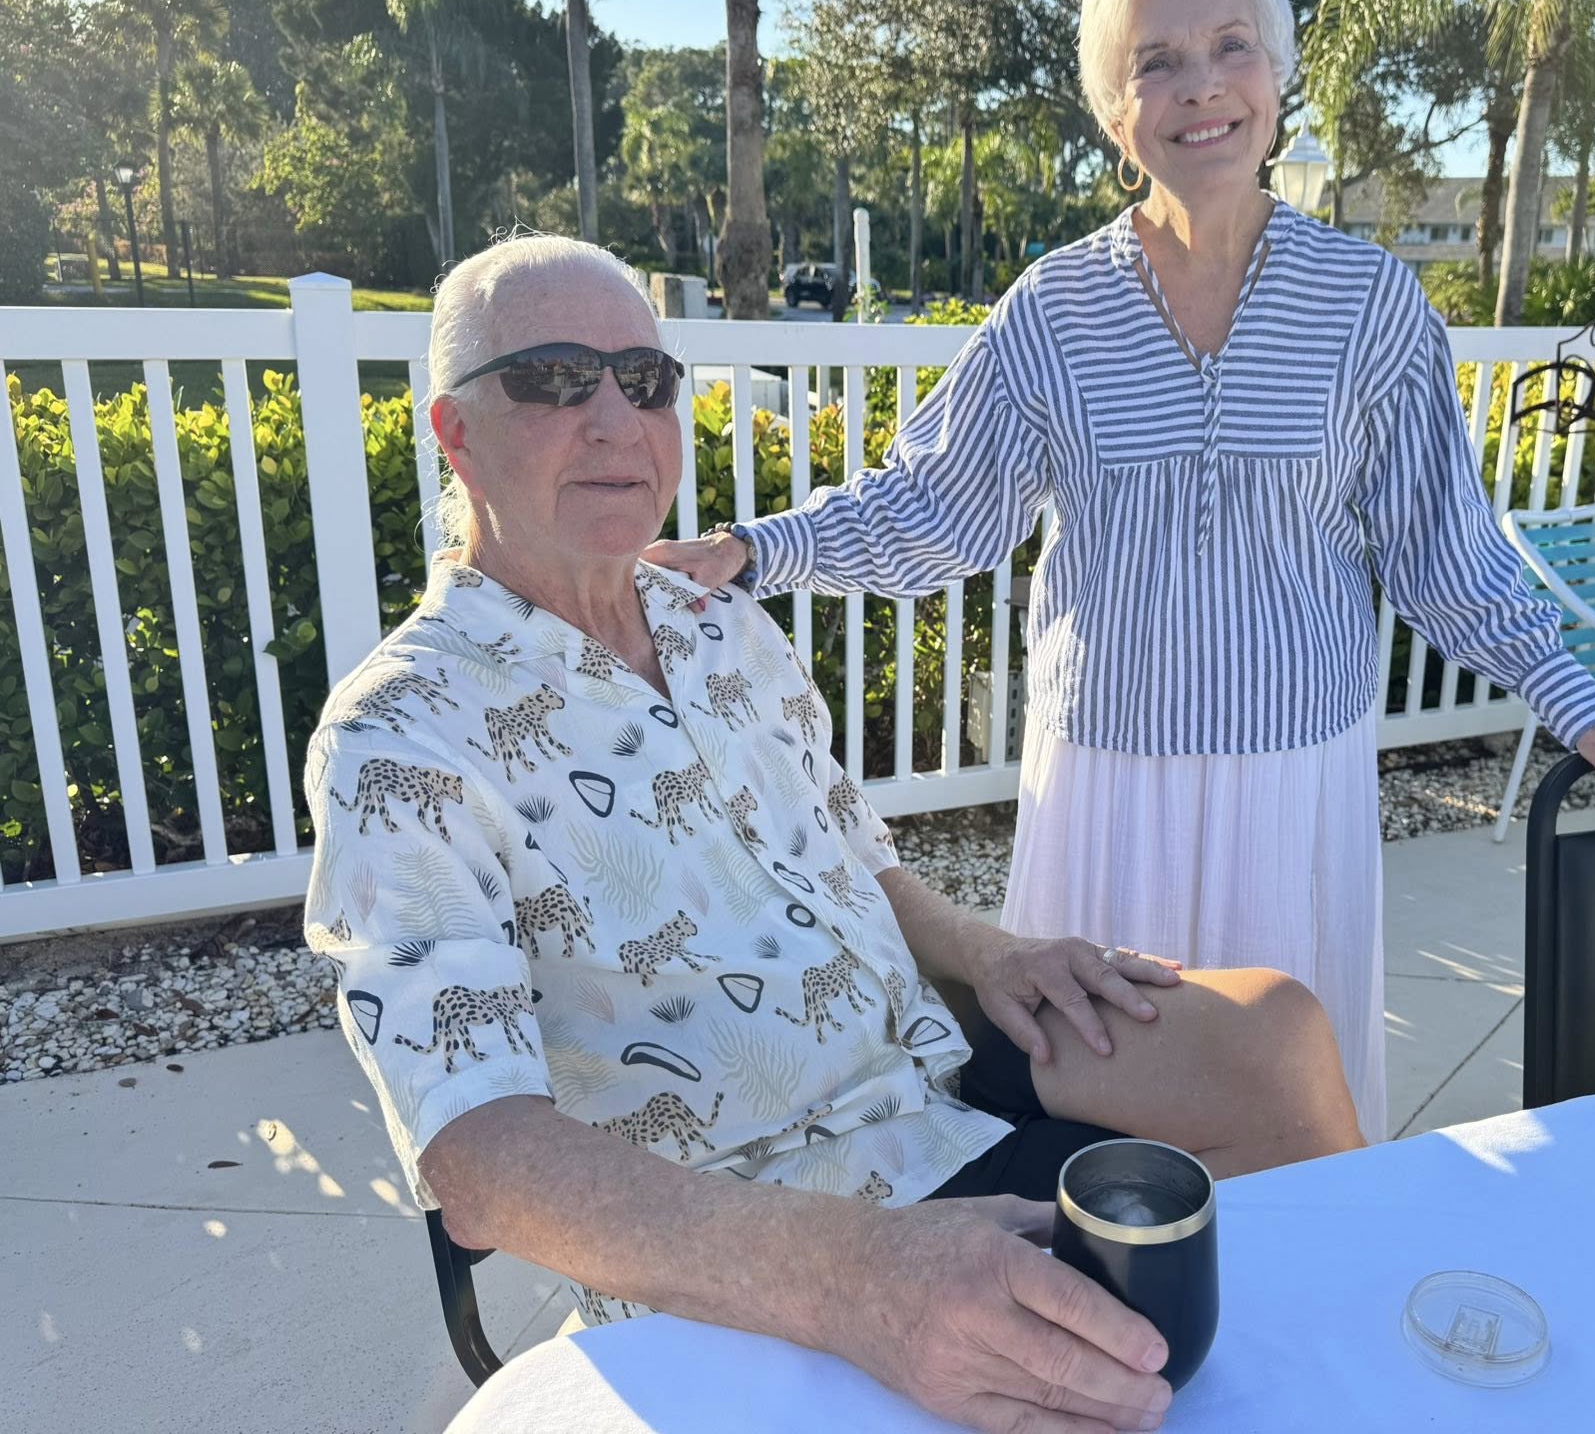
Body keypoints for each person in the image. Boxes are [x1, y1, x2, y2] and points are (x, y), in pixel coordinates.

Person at [648, 0, 1595, 1142]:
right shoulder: (1053, 309)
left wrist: (1588, 712)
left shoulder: (1367, 304)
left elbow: (1444, 556)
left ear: (1277, 74)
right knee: (1102, 1111)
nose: (1200, 86)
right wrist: (757, 549)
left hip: (1292, 782)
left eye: (1230, 45)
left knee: (1286, 1112)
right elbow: (935, 504)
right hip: (1105, 785)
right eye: (1155, 61)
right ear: (1112, 110)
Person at [303, 232, 1363, 1434]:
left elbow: (857, 861)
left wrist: (996, 955)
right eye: (552, 380)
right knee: (1150, 1346)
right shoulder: (402, 738)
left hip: (930, 1075)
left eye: (644, 381)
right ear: (454, 432)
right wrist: (858, 1274)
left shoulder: (715, 624)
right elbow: (477, 1156)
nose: (613, 421)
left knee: (1273, 1038)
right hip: (765, 1216)